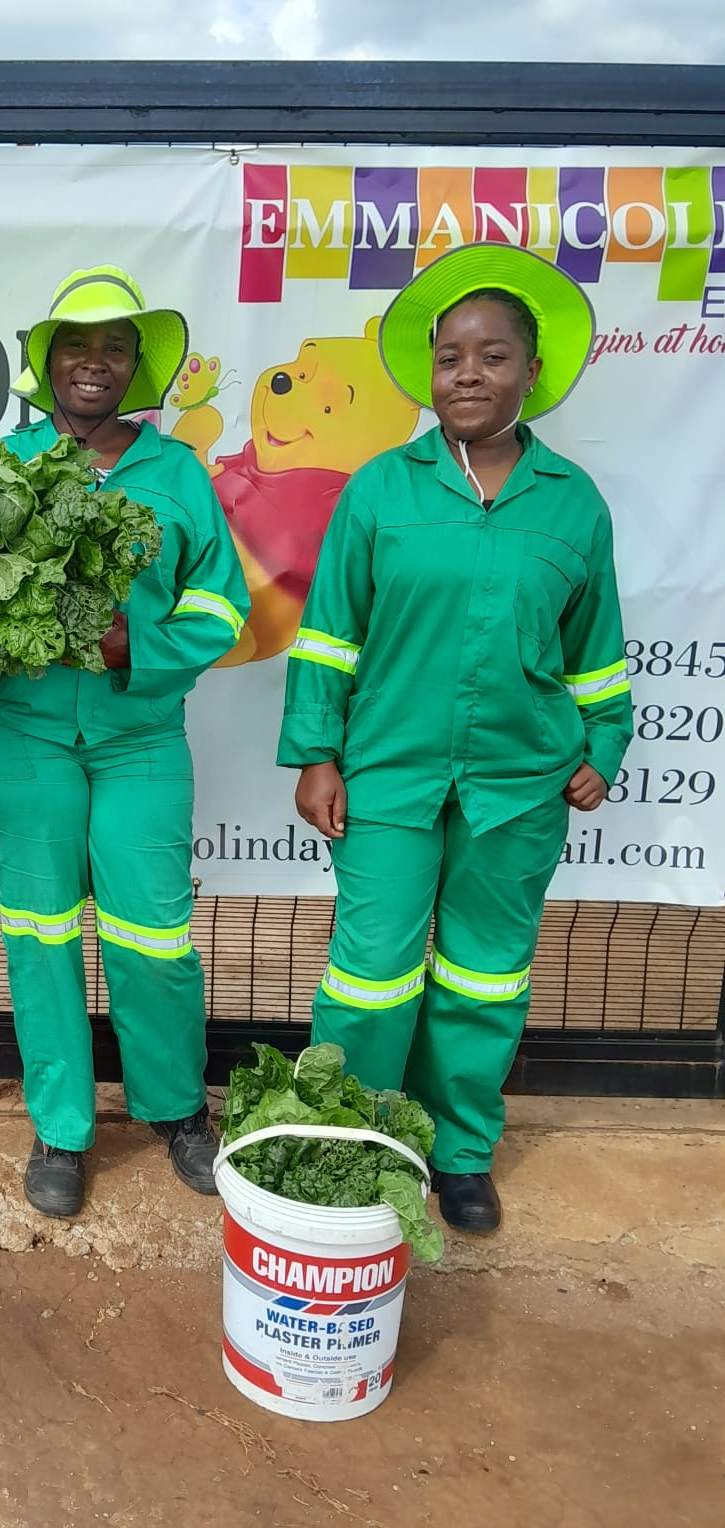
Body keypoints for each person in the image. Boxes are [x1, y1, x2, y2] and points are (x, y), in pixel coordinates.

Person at [278, 242, 634, 1234]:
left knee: (484, 974)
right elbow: (329, 634)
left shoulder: (571, 503)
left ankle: (458, 1149)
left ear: (531, 371)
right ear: (426, 373)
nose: (467, 373)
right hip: (388, 773)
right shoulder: (380, 491)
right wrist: (316, 750)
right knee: (370, 973)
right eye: (449, 357)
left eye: (492, 355)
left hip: (519, 785)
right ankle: (343, 1142)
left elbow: (595, 651)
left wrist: (600, 747)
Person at [0, 265, 251, 1218]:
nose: (95, 364)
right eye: (75, 348)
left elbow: (220, 603)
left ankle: (176, 1108)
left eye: (115, 349)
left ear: (138, 367)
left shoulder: (176, 475)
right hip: (24, 736)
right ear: (46, 364)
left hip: (138, 741)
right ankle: (61, 1127)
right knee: (40, 938)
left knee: (156, 936)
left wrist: (141, 642)